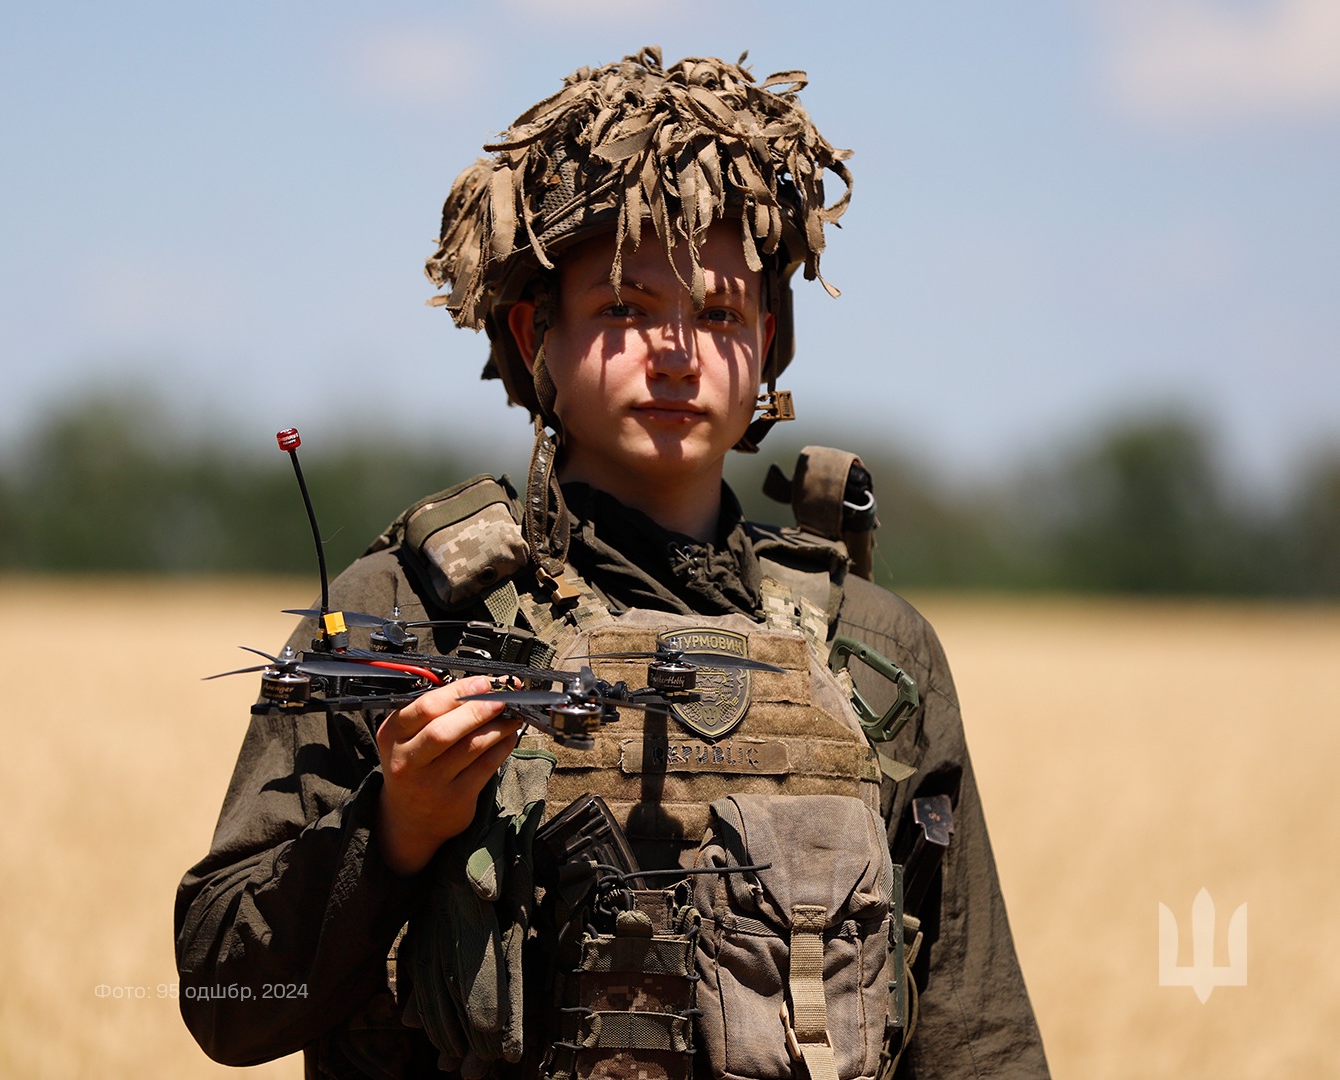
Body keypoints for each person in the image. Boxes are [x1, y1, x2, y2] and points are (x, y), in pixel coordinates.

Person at [176, 47, 1049, 1079]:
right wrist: (393, 832)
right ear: (533, 334)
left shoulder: (875, 652)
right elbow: (225, 997)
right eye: (625, 309)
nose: (677, 352)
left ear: (768, 341)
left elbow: (974, 1035)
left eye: (719, 313)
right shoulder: (404, 618)